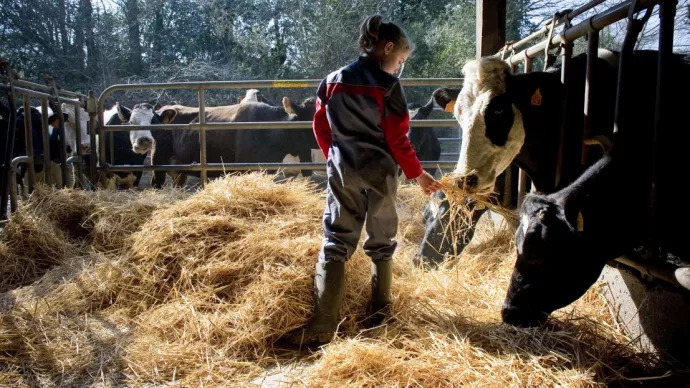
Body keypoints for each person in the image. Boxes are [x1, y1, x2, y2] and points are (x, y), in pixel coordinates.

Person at [285, 15, 442, 346]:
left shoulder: (331, 82)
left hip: (343, 170)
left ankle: (323, 324)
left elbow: (320, 127)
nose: (399, 68)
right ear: (387, 49)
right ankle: (380, 314)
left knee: (336, 241)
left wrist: (335, 157)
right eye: (400, 60)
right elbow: (398, 139)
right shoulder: (389, 87)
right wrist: (417, 173)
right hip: (382, 174)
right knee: (382, 242)